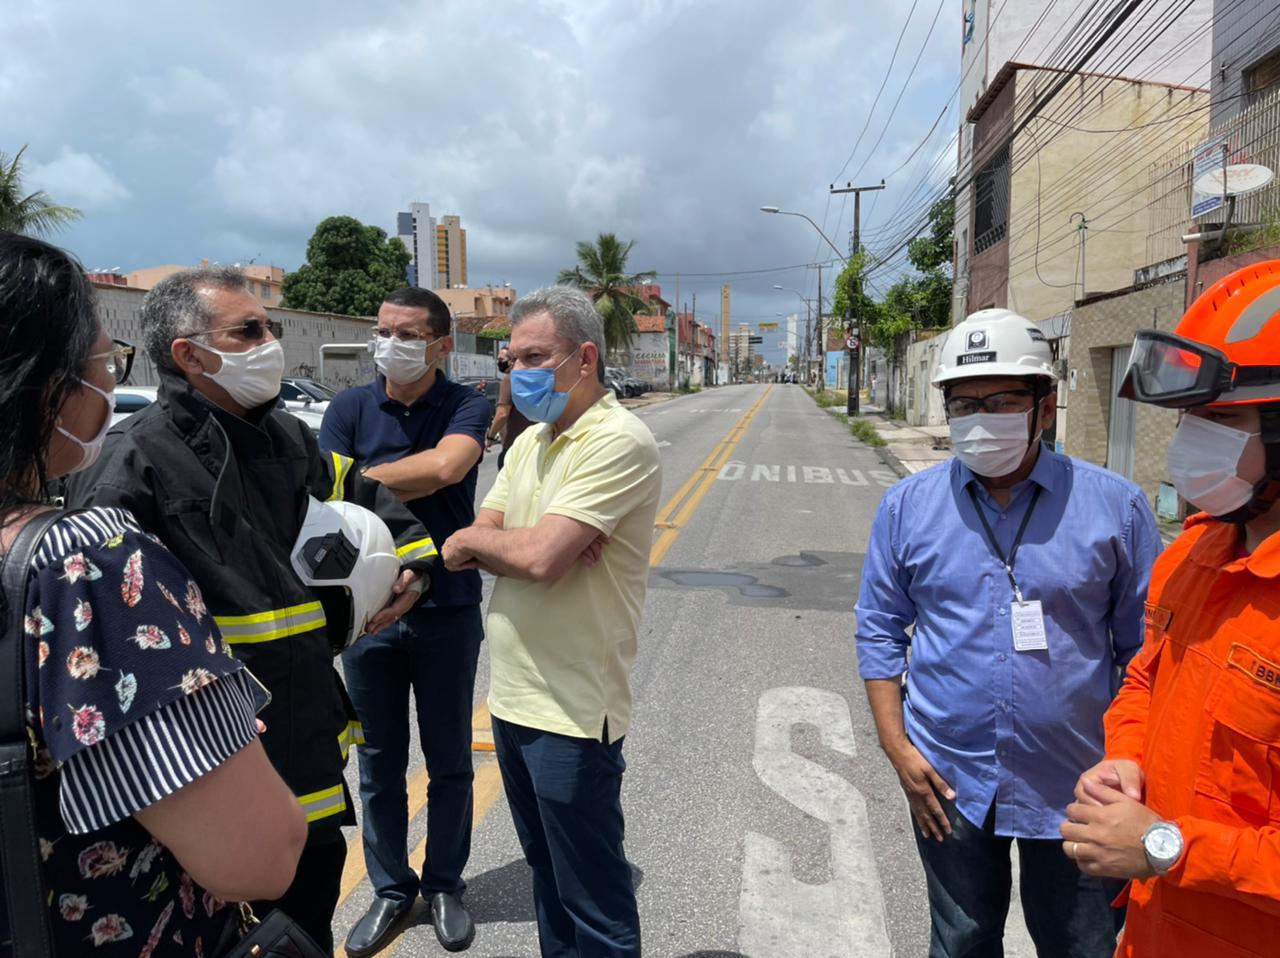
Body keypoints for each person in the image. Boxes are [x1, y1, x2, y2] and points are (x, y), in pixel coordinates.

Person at [66, 267, 438, 955]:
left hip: (307, 756)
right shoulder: (133, 461)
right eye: (250, 330)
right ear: (189, 354)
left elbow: (360, 488)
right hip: (211, 777)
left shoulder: (285, 442)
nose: (271, 341)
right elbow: (97, 647)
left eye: (269, 327)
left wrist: (416, 562)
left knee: (306, 929)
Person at [0, 232, 307, 955]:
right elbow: (258, 857)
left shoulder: (288, 438)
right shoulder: (83, 560)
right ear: (48, 383)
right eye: (104, 360)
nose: (108, 383)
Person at [855, 308, 1162, 957]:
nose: (978, 416)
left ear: (1044, 408)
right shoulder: (908, 507)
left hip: (1081, 785)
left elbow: (1149, 654)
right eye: (963, 402)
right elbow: (880, 630)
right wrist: (898, 750)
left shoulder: (1115, 507)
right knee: (961, 942)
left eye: (999, 399)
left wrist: (1136, 769)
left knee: (1081, 945)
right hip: (949, 777)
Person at [1064, 261, 1280, 957]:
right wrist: (1124, 759)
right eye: (1190, 418)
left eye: (1220, 419)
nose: (1190, 441)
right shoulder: (1191, 555)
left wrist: (1164, 844)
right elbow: (1147, 681)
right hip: (1153, 933)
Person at [442, 286, 661, 957]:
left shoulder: (619, 441)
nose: (517, 374)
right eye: (512, 360)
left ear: (585, 357)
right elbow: (482, 533)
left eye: (534, 357)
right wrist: (516, 545)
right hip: (511, 699)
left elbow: (527, 555)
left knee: (593, 901)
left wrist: (516, 548)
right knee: (549, 878)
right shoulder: (534, 441)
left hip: (572, 711)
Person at [320, 287, 490, 955]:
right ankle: (392, 889)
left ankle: (445, 882)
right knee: (378, 762)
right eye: (381, 329)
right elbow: (325, 493)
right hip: (368, 617)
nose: (389, 342)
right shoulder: (349, 405)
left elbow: (449, 466)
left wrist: (362, 476)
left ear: (441, 345)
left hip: (447, 608)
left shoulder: (467, 405)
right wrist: (384, 480)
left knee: (449, 758)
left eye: (407, 333)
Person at [487, 346, 533, 471]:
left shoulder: (509, 379)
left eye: (501, 359)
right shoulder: (530, 379)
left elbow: (502, 413)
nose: (498, 363)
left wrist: (490, 436)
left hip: (513, 445)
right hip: (532, 444)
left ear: (511, 360)